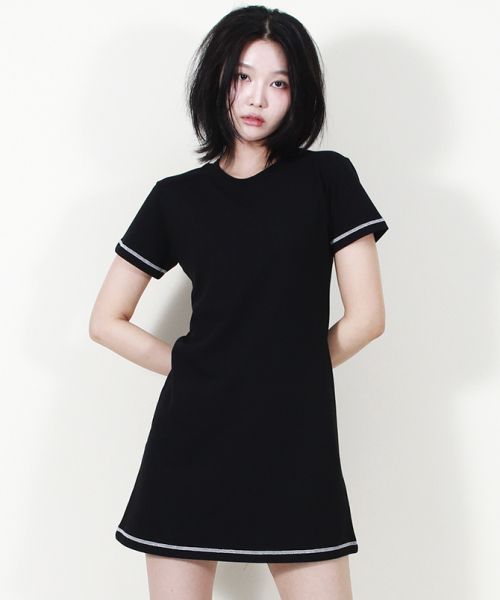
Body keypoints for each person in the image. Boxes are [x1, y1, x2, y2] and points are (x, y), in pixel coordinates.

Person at [89, 5, 388, 600]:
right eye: (242, 77)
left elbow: (367, 319)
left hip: (294, 441)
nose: (257, 98)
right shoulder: (176, 197)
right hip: (191, 439)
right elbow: (106, 321)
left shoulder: (328, 178)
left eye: (279, 83)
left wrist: (283, 375)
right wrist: (199, 369)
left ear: (299, 95)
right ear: (217, 80)